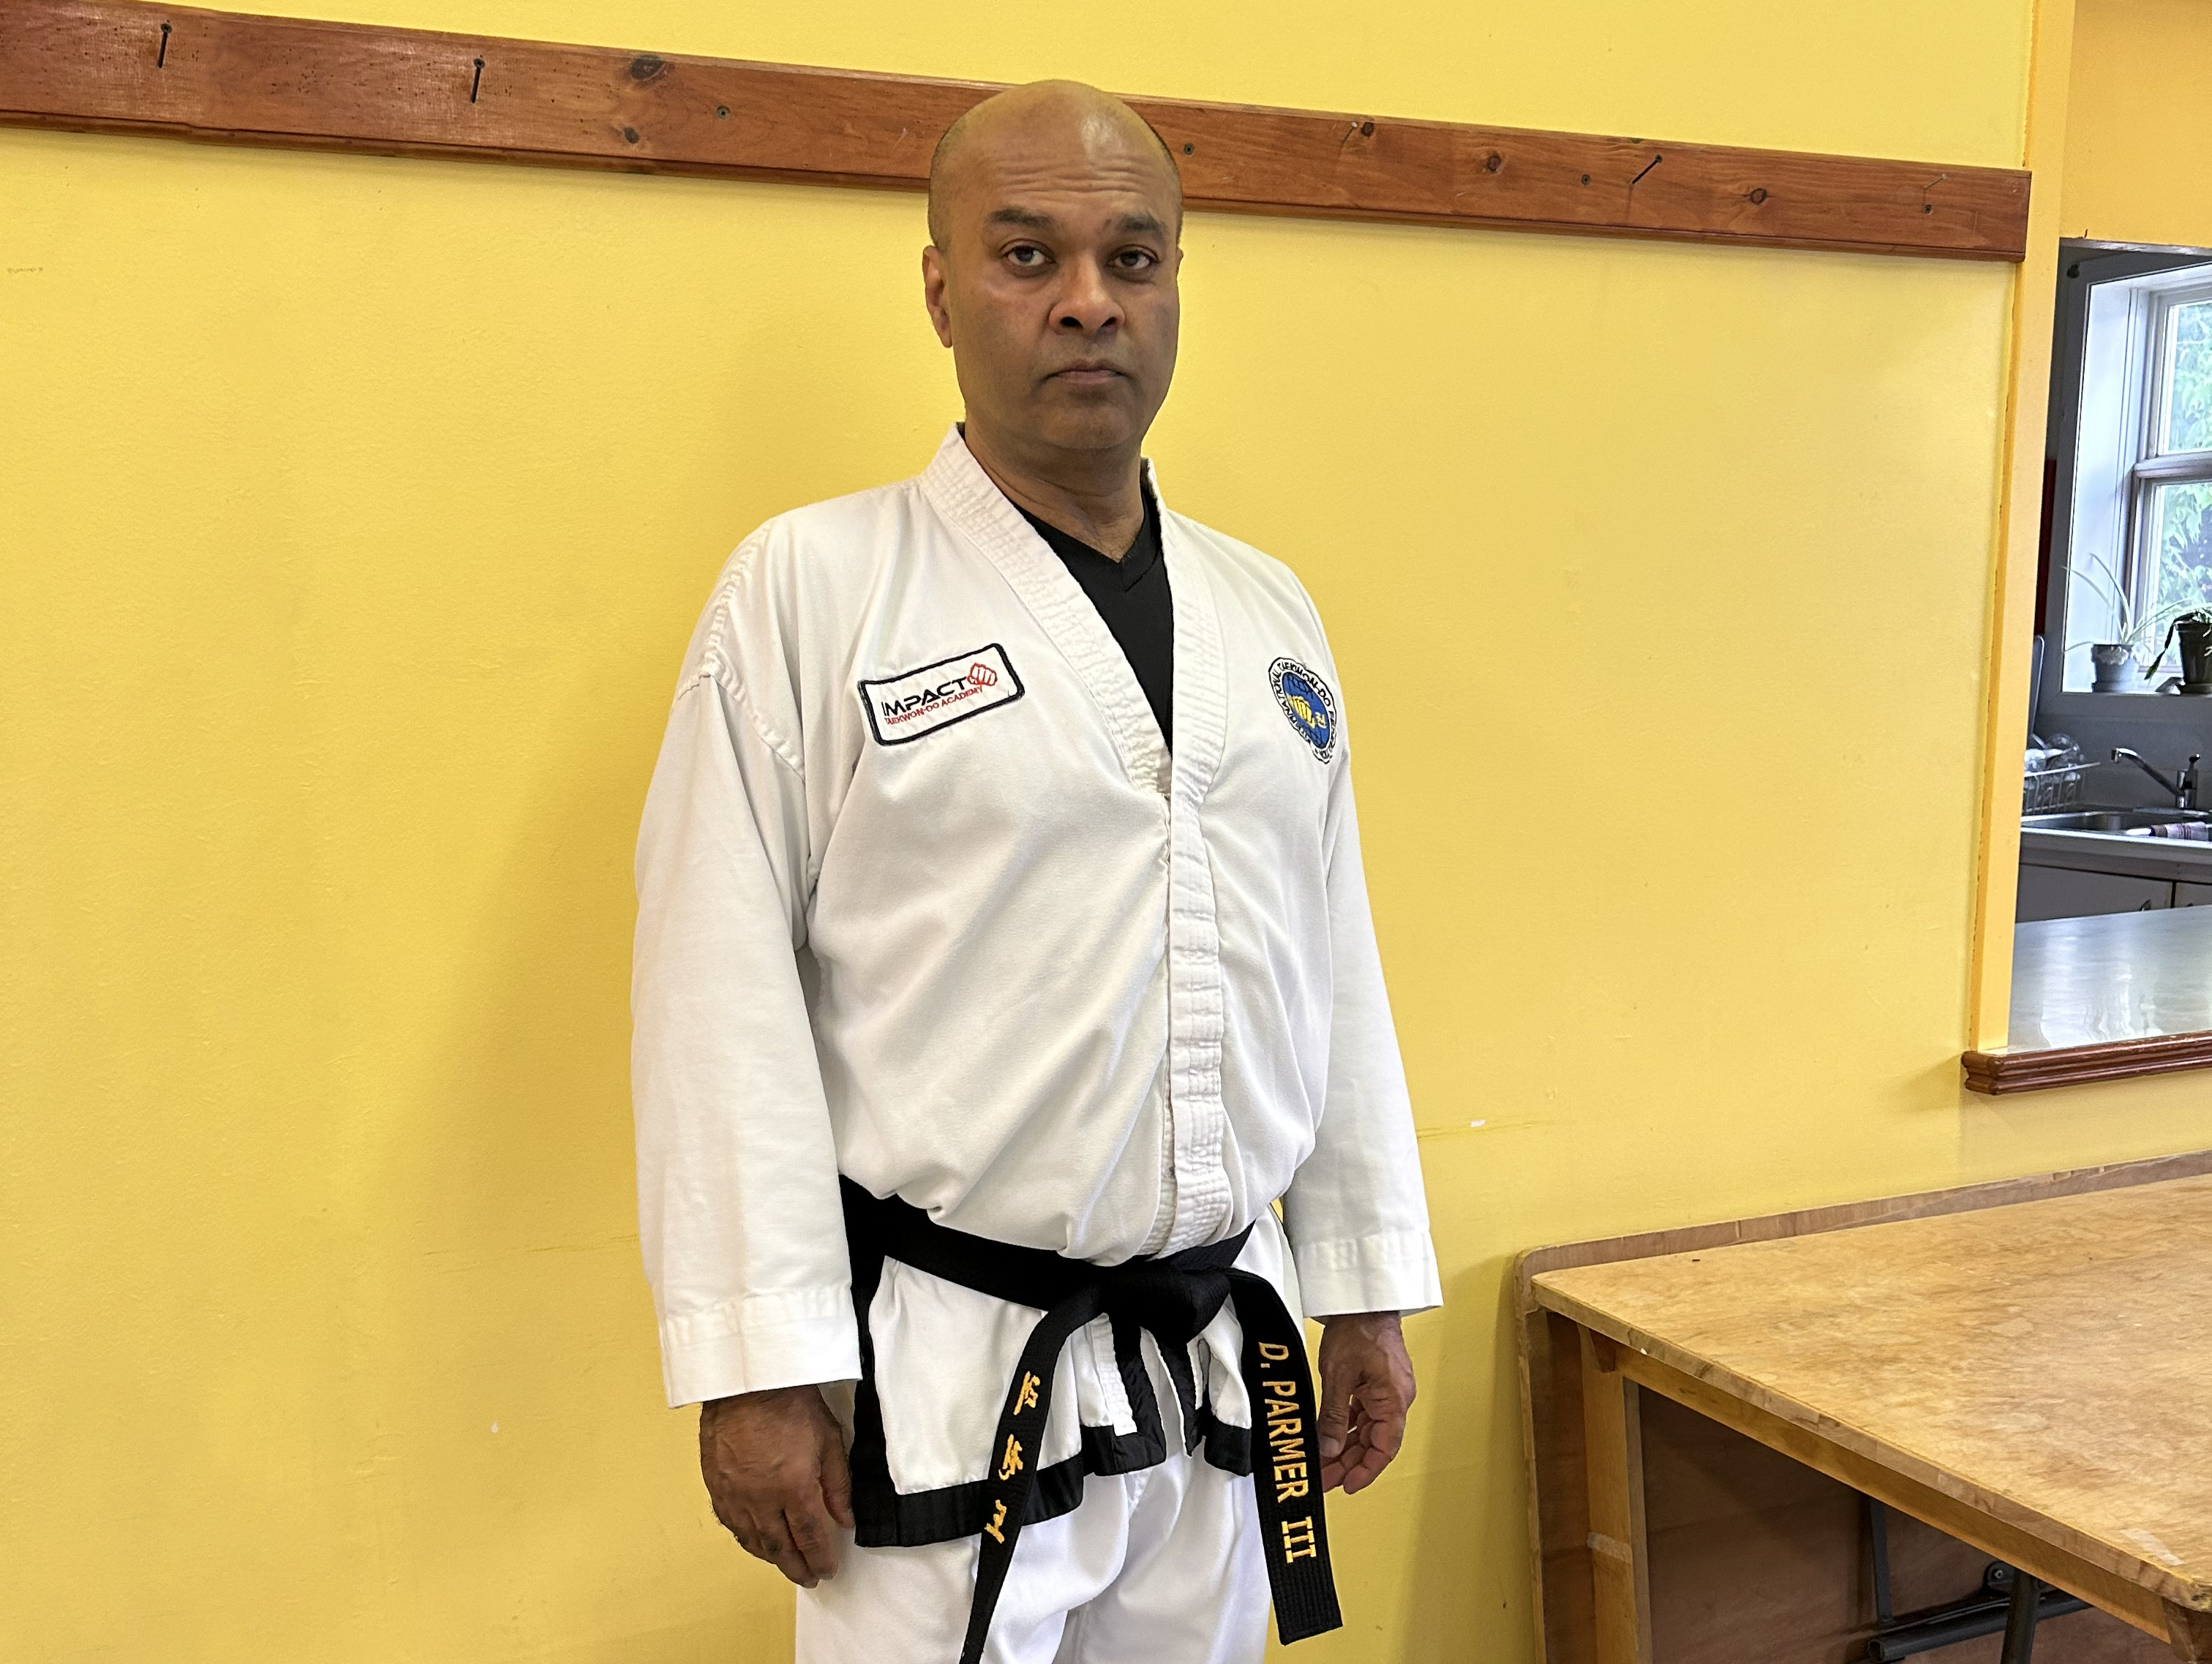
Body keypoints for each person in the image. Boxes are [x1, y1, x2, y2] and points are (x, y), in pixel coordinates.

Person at [632, 78, 1440, 1664]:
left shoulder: (1267, 611)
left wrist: (1364, 1278)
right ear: (940, 289)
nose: (1088, 302)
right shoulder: (811, 592)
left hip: (1215, 1348)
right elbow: (712, 995)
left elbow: (1327, 961)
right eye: (1027, 256)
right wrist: (752, 1360)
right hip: (941, 1370)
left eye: (1133, 260)